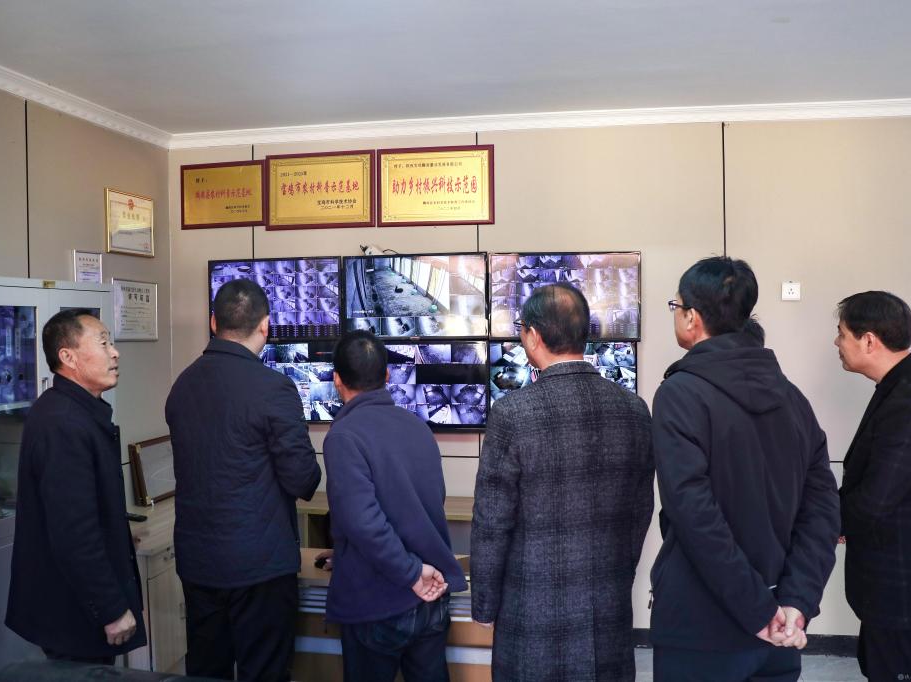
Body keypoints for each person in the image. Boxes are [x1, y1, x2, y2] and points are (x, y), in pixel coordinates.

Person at [651, 256, 840, 682]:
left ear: (692, 318)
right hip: (780, 627)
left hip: (701, 626)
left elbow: (694, 514)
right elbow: (823, 511)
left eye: (675, 305)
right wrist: (796, 602)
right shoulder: (794, 399)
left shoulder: (680, 394)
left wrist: (759, 611)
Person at [470, 283, 655, 681]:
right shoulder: (634, 409)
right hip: (607, 604)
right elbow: (641, 511)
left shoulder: (512, 414)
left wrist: (484, 604)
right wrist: (618, 573)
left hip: (531, 610)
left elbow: (492, 522)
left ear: (533, 336)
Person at [165, 279, 322, 681]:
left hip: (198, 563)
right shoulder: (274, 388)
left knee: (207, 670)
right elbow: (303, 480)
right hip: (259, 567)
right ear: (266, 326)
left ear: (213, 322)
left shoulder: (182, 385)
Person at [320, 330, 467, 681]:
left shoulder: (343, 436)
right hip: (431, 598)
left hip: (380, 602)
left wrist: (411, 573)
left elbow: (364, 523)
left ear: (337, 380)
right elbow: (425, 504)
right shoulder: (418, 427)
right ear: (387, 375)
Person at [6, 309, 145, 663]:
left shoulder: (76, 410)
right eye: (104, 343)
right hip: (72, 612)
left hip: (77, 605)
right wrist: (112, 609)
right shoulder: (63, 423)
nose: (115, 353)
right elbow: (73, 532)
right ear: (68, 357)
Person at [835, 291, 911, 681]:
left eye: (842, 334)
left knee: (895, 670)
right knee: (883, 664)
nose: (837, 343)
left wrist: (828, 523)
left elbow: (875, 499)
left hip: (903, 578)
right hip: (900, 571)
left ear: (869, 340)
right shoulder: (908, 384)